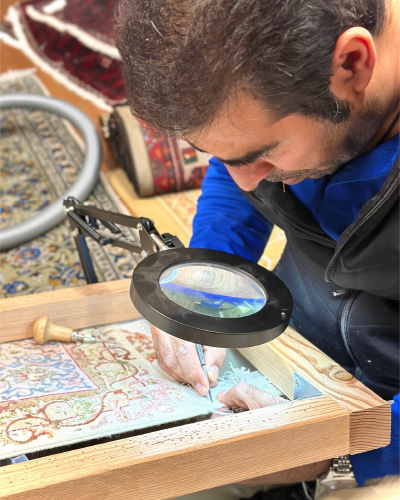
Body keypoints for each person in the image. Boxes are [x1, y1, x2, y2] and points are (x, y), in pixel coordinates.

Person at [115, 0, 399, 497]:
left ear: (353, 64)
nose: (246, 180)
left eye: (263, 155)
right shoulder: (290, 105)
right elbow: (237, 165)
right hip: (304, 346)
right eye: (222, 156)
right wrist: (205, 286)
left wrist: (336, 456)